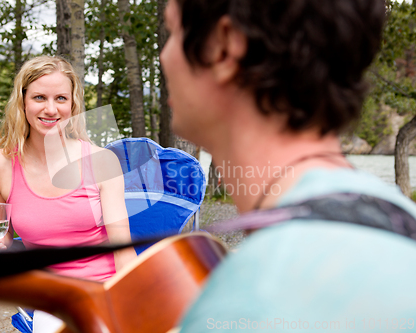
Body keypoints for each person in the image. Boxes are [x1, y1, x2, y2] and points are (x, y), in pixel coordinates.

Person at [159, 0, 416, 331]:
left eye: (173, 32)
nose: (165, 56)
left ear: (224, 47)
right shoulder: (397, 217)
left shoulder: (252, 297)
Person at [0, 55, 136, 332]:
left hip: (108, 289)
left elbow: (124, 252)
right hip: (52, 298)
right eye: (39, 97)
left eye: (61, 98)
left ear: (72, 104)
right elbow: (1, 232)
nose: (51, 109)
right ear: (22, 102)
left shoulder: (101, 161)